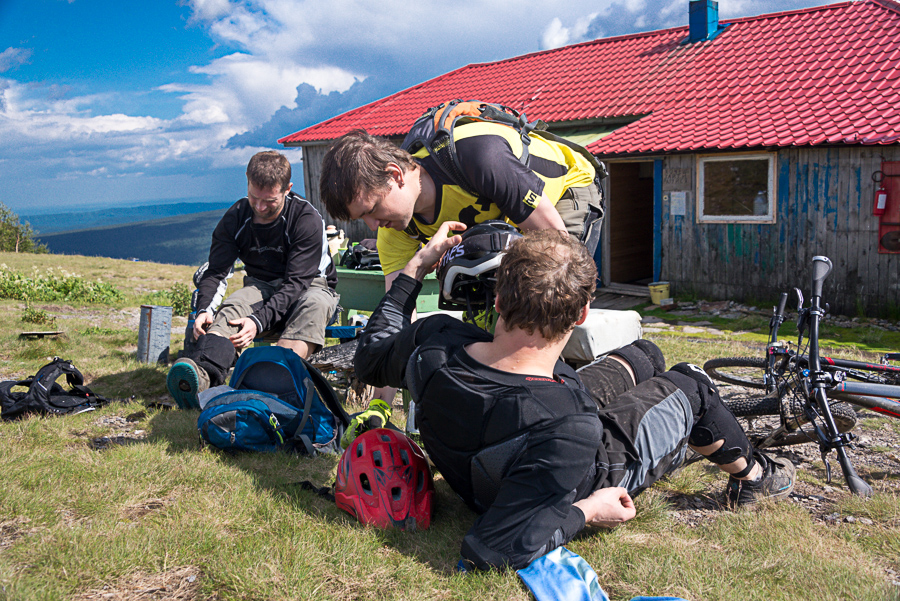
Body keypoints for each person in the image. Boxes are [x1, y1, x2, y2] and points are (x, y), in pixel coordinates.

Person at [352, 224, 795, 571]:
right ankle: (755, 477)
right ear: (583, 312)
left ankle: (677, 413)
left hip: (523, 428)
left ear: (500, 299)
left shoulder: (434, 344)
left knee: (645, 355)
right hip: (580, 462)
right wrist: (588, 510)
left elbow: (371, 358)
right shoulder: (571, 427)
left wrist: (415, 269)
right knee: (694, 383)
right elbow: (493, 547)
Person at [166, 151, 339, 409]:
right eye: (254, 197)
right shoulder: (236, 217)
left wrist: (257, 322)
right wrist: (204, 309)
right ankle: (201, 378)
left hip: (310, 285)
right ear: (247, 180)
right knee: (232, 308)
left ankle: (271, 385)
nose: (259, 207)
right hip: (260, 284)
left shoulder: (306, 219)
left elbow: (296, 284)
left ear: (288, 189)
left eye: (269, 200)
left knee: (313, 306)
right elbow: (216, 271)